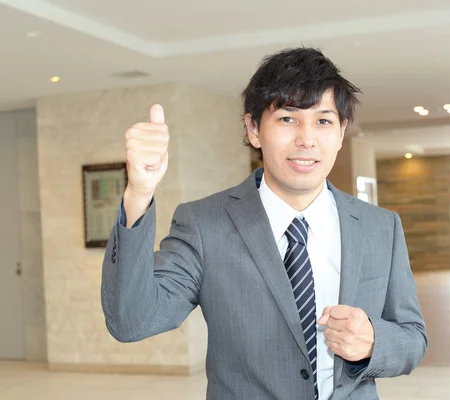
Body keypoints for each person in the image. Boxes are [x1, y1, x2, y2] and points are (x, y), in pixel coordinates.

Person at [101, 47, 427, 400]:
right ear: (254, 129)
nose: (306, 138)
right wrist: (139, 193)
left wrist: (373, 341)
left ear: (341, 131)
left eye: (323, 120)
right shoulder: (203, 223)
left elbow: (413, 338)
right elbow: (131, 321)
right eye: (287, 119)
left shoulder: (380, 227)